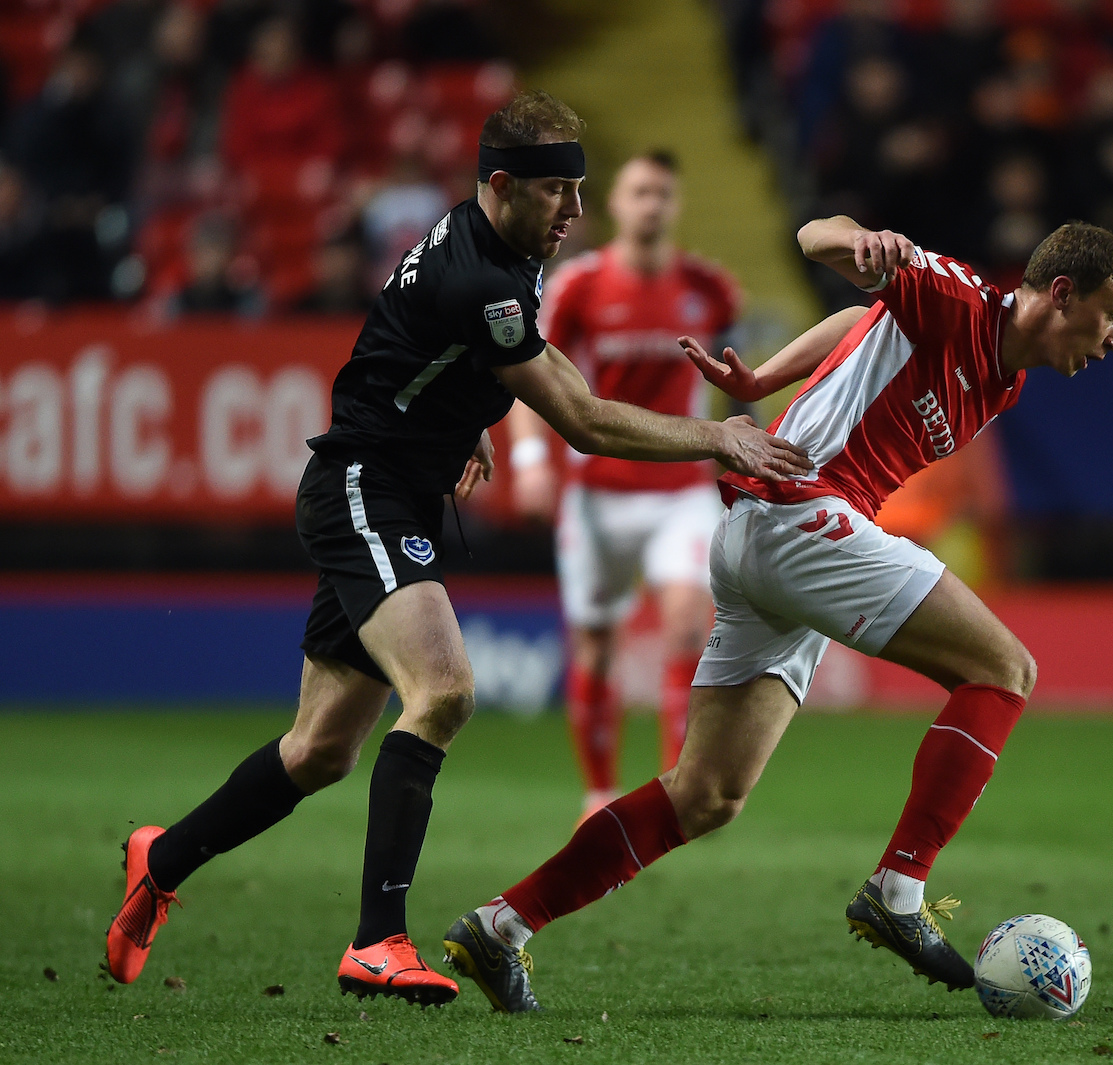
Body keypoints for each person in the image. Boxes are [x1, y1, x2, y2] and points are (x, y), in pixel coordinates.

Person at [104, 90, 809, 1007]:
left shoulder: (495, 245)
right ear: (502, 184)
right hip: (365, 488)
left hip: (394, 482)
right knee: (443, 691)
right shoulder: (484, 279)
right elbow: (583, 418)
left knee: (319, 749)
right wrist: (718, 437)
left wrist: (460, 415)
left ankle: (161, 859)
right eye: (556, 191)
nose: (575, 211)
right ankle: (377, 941)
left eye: (580, 190)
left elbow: (430, 348)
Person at [442, 216, 1113, 1013]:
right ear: (1063, 293)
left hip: (766, 534)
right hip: (802, 512)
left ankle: (500, 926)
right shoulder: (957, 298)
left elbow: (864, 320)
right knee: (1005, 668)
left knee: (707, 793)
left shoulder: (1004, 378)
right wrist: (863, 240)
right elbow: (818, 238)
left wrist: (763, 380)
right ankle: (899, 888)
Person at [508, 150, 742, 820]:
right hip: (598, 493)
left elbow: (734, 376)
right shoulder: (578, 286)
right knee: (596, 643)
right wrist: (530, 460)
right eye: (640, 192)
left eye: (662, 193)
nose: (651, 205)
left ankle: (674, 790)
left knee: (686, 624)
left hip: (682, 488)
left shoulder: (710, 287)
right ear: (616, 203)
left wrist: (738, 440)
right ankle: (599, 792)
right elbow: (528, 374)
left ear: (676, 204)